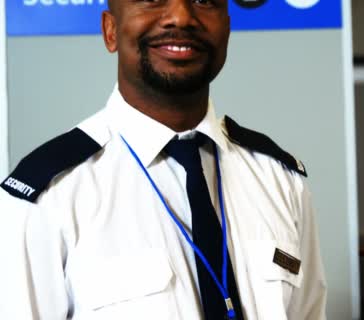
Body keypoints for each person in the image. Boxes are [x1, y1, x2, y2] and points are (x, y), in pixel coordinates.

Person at [0, 0, 327, 319]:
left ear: (226, 29)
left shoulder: (280, 178)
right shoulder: (48, 197)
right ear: (110, 30)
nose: (181, 16)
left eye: (203, 0)